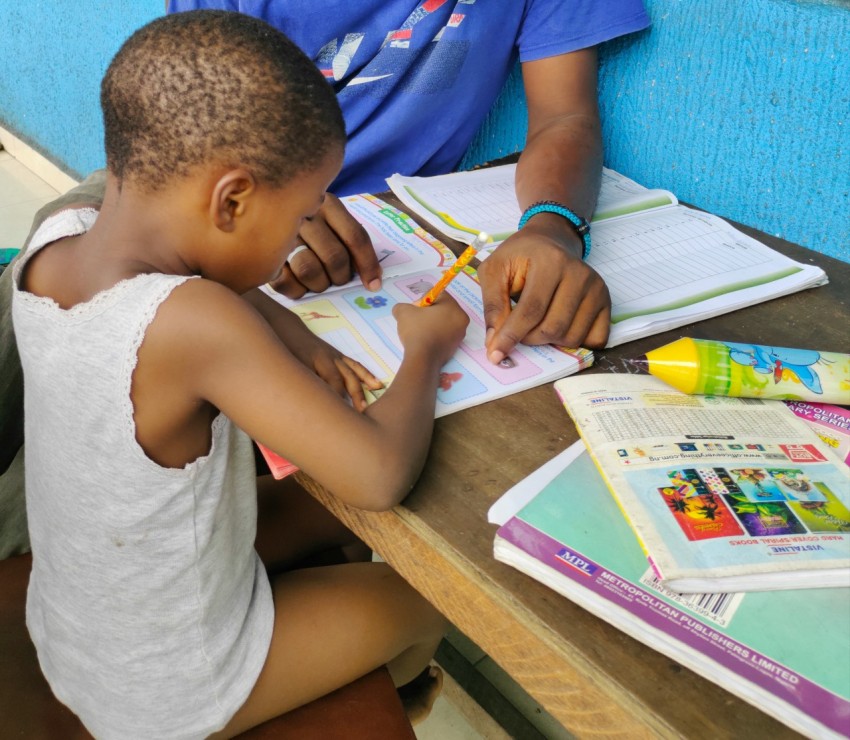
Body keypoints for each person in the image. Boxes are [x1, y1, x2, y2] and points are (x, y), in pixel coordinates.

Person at [11, 11, 467, 737]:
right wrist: (427, 350)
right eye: (297, 221)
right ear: (231, 202)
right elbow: (378, 475)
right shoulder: (195, 323)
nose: (299, 238)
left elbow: (222, 291)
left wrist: (298, 339)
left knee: (312, 511)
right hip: (158, 690)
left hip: (79, 623)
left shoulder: (56, 240)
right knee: (419, 600)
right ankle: (365, 697)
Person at [167, 0, 650, 359]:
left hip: (399, 235)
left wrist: (553, 227)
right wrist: (265, 206)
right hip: (224, 208)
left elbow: (563, 118)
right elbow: (185, 133)